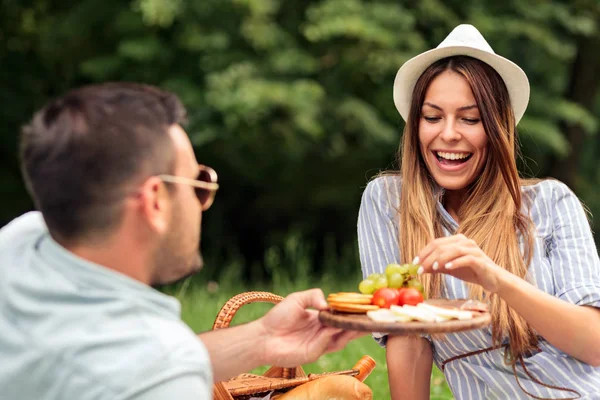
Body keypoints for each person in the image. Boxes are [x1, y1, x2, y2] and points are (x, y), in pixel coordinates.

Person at [0, 82, 363, 400]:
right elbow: (152, 367)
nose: (203, 202)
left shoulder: (21, 238)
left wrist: (264, 338)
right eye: (198, 184)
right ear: (156, 201)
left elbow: (141, 359)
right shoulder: (161, 381)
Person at [357, 24, 600, 399]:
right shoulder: (389, 202)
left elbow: (594, 346)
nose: (449, 134)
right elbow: (408, 339)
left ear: (497, 127)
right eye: (432, 116)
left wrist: (494, 278)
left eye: (470, 119)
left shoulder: (552, 202)